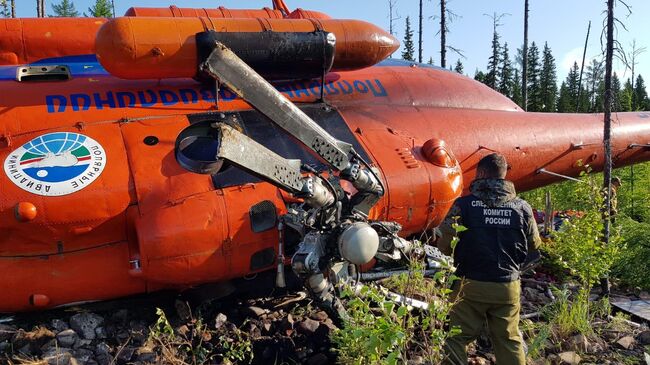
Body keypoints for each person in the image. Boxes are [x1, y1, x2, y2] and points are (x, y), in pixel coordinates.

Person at [438, 153, 541, 365]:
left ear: (482, 174)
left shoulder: (464, 205)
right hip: (507, 286)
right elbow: (534, 246)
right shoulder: (522, 208)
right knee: (509, 339)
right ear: (504, 176)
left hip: (470, 285)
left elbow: (445, 243)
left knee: (456, 337)